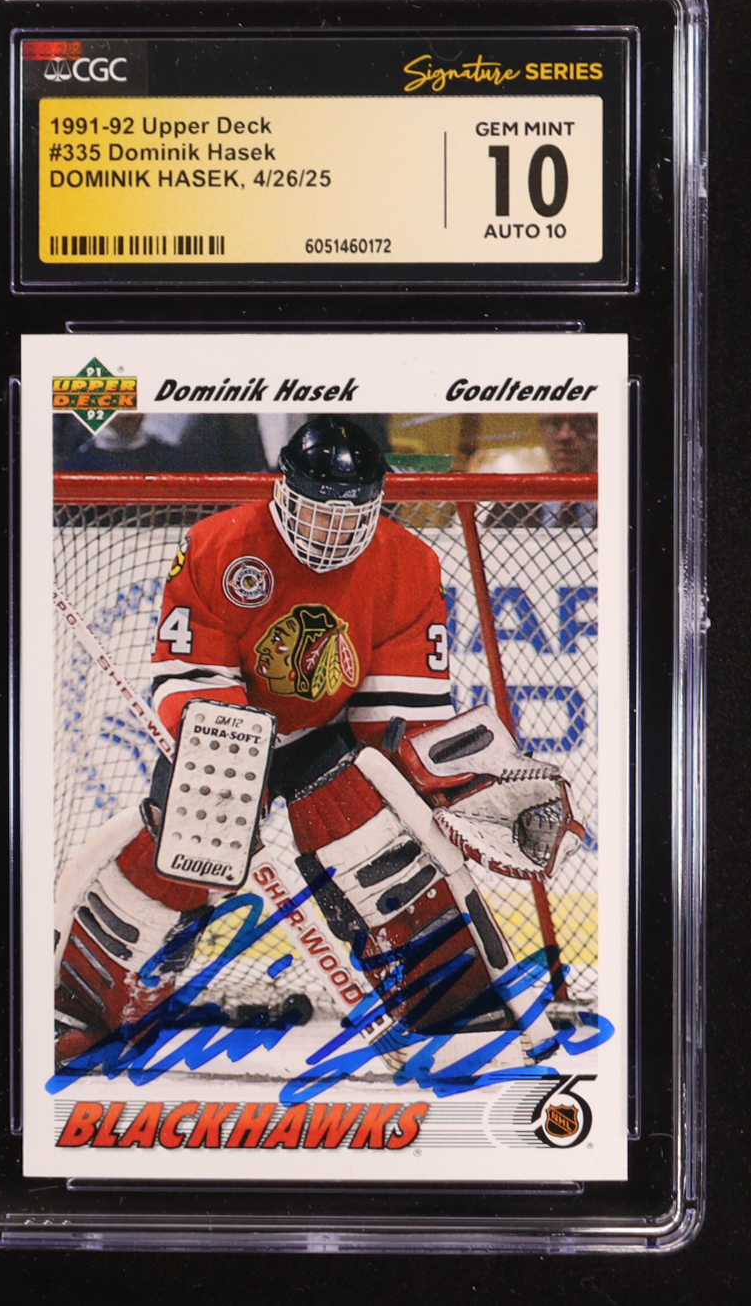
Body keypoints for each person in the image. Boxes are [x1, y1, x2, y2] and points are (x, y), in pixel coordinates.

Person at [55, 418, 582, 1066]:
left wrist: (446, 785)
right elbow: (190, 676)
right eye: (316, 511)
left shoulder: (409, 562)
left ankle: (447, 1005)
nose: (331, 532)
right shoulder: (219, 543)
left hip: (324, 732)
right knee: (195, 830)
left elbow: (398, 717)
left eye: (349, 515)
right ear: (283, 490)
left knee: (373, 828)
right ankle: (88, 1003)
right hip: (228, 726)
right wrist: (233, 760)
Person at [485, 413, 597, 529]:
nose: (564, 436)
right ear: (541, 431)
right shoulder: (510, 505)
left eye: (580, 422)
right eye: (554, 422)